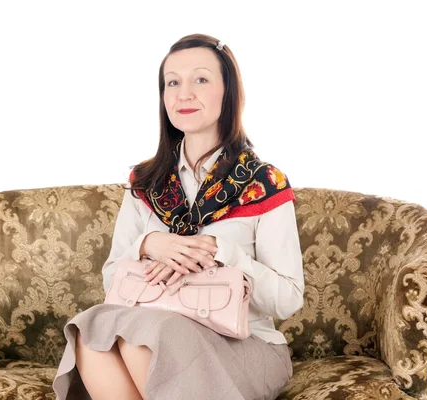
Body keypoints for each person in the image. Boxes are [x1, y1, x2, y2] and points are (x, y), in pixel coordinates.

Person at [52, 33, 305, 400]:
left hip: (244, 345)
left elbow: (288, 298)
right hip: (154, 333)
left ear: (228, 92)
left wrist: (221, 252)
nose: (183, 93)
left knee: (150, 335)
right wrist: (151, 244)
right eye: (172, 82)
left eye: (200, 79)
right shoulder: (147, 182)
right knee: (94, 331)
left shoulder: (262, 183)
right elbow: (113, 283)